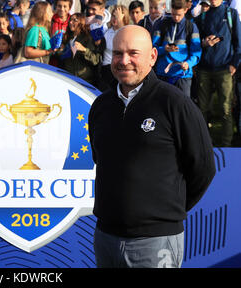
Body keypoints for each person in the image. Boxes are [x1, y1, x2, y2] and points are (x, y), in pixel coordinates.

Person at [88, 25, 216, 268]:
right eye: (118, 53)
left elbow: (203, 168)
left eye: (133, 53)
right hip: (106, 237)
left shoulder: (175, 104)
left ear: (152, 56)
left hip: (156, 241)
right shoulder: (100, 107)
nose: (124, 61)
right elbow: (100, 159)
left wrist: (164, 211)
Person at [194, 0, 241, 147]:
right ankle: (204, 143)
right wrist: (204, 42)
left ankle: (226, 144)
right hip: (204, 70)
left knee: (225, 109)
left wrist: (234, 64)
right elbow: (195, 42)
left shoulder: (231, 13)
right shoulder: (202, 16)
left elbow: (238, 43)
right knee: (202, 109)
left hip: (224, 69)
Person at [152, 0, 201, 98]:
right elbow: (153, 49)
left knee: (182, 108)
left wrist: (188, 64)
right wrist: (164, 49)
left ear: (186, 10)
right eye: (173, 14)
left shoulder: (191, 27)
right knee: (162, 107)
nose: (176, 17)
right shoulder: (161, 24)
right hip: (163, 74)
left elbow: (196, 52)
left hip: (182, 75)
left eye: (179, 14)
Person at [59, 12, 105, 89]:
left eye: (75, 20)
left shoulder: (88, 38)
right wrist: (60, 51)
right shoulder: (66, 37)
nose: (71, 22)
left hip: (84, 81)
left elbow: (96, 60)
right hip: (68, 79)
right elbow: (60, 57)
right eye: (70, 20)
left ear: (81, 22)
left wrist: (83, 49)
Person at [101, 5, 130, 90]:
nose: (115, 18)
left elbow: (123, 37)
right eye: (113, 15)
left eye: (117, 16)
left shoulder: (126, 30)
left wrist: (120, 20)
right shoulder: (107, 31)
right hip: (105, 68)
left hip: (118, 68)